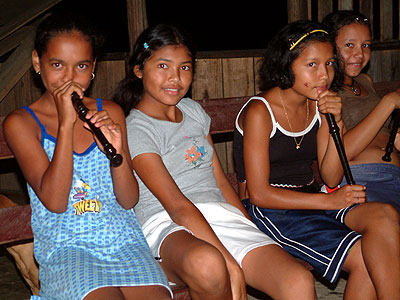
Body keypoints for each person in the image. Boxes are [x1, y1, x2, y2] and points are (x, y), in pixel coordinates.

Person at [113, 23, 317, 300]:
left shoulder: (193, 111)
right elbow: (176, 204)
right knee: (210, 264)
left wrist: (250, 227)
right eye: (163, 66)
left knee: (297, 280)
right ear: (139, 70)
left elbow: (220, 180)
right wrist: (229, 261)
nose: (175, 78)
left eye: (184, 68)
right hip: (168, 225)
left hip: (219, 216)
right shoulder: (137, 128)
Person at [3, 12, 172, 300]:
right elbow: (56, 201)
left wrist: (116, 151)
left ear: (93, 67)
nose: (69, 78)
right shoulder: (22, 123)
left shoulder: (111, 111)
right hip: (67, 249)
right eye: (57, 65)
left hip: (124, 242)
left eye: (81, 66)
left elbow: (129, 199)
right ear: (36, 63)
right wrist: (67, 126)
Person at [233, 20, 400, 299]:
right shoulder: (260, 112)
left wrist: (335, 121)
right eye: (312, 65)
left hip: (311, 197)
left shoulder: (319, 105)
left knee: (383, 218)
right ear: (287, 65)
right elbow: (259, 194)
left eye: (329, 64)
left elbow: (332, 176)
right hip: (271, 209)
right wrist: (329, 201)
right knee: (364, 258)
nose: (324, 75)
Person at [322, 10, 400, 212]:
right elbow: (340, 154)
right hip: (363, 181)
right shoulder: (325, 92)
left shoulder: (365, 81)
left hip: (395, 176)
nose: (360, 53)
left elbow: (380, 132)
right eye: (349, 45)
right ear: (328, 46)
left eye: (366, 45)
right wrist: (388, 103)